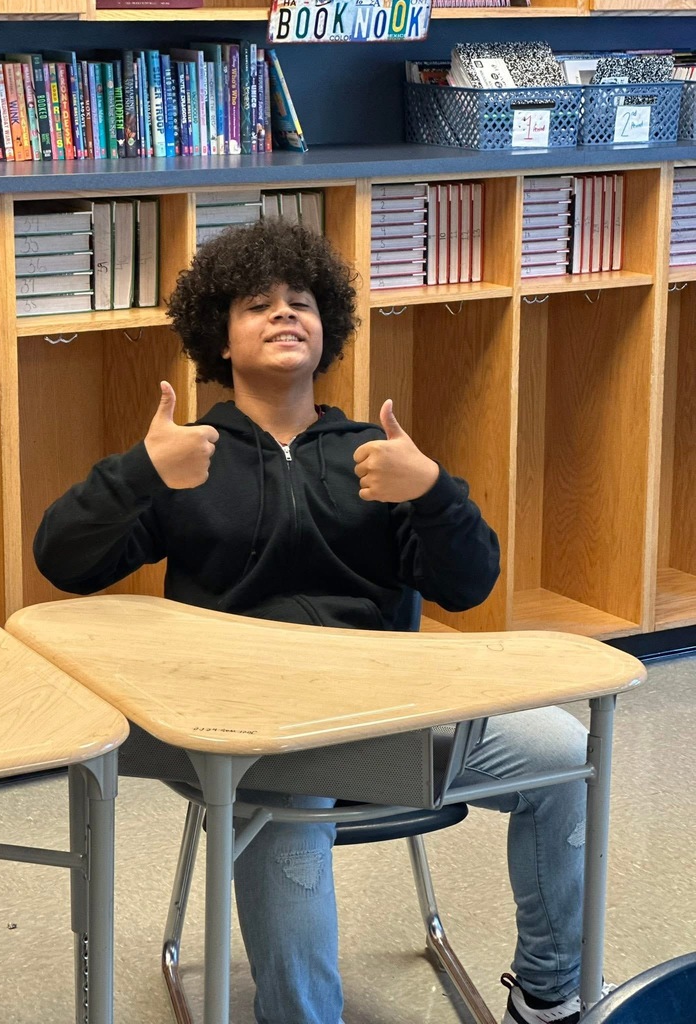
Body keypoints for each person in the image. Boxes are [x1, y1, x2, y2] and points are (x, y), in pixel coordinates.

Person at [34, 218, 606, 1024]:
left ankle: (549, 995)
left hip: (390, 719)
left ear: (327, 327)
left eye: (300, 301)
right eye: (256, 304)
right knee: (286, 817)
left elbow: (469, 585)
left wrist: (434, 490)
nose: (282, 314)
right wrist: (138, 474)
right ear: (220, 341)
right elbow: (62, 560)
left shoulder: (376, 453)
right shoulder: (187, 455)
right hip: (253, 733)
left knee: (566, 756)